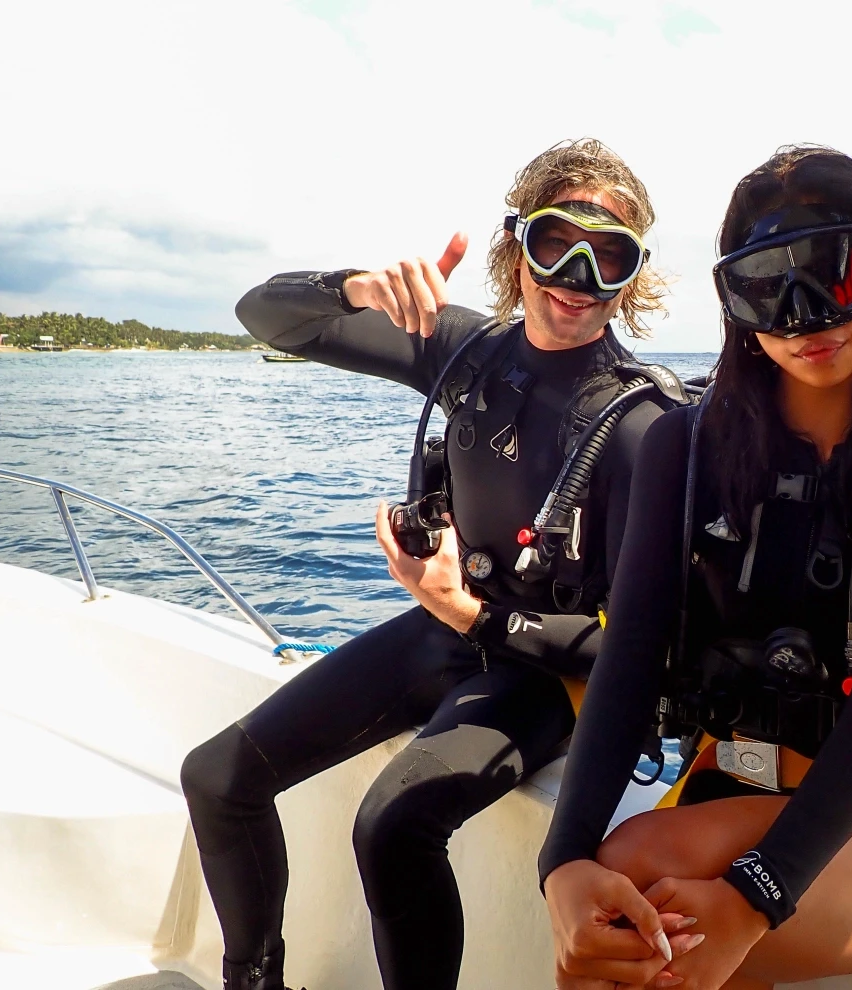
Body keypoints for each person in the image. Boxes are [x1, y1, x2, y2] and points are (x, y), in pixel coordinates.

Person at [180, 138, 687, 990]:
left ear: (633, 277)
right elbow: (262, 314)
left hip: (544, 672)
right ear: (515, 245)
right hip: (449, 629)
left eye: (610, 257)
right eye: (555, 242)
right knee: (218, 778)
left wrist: (471, 615)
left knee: (393, 825)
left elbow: (646, 654)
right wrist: (351, 289)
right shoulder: (466, 351)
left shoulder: (643, 422)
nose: (576, 274)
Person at [539, 145, 852, 990]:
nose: (805, 317)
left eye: (832, 272)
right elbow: (632, 650)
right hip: (728, 778)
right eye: (767, 286)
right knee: (616, 900)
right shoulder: (683, 449)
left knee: (659, 925)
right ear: (735, 305)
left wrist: (757, 898)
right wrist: (562, 861)